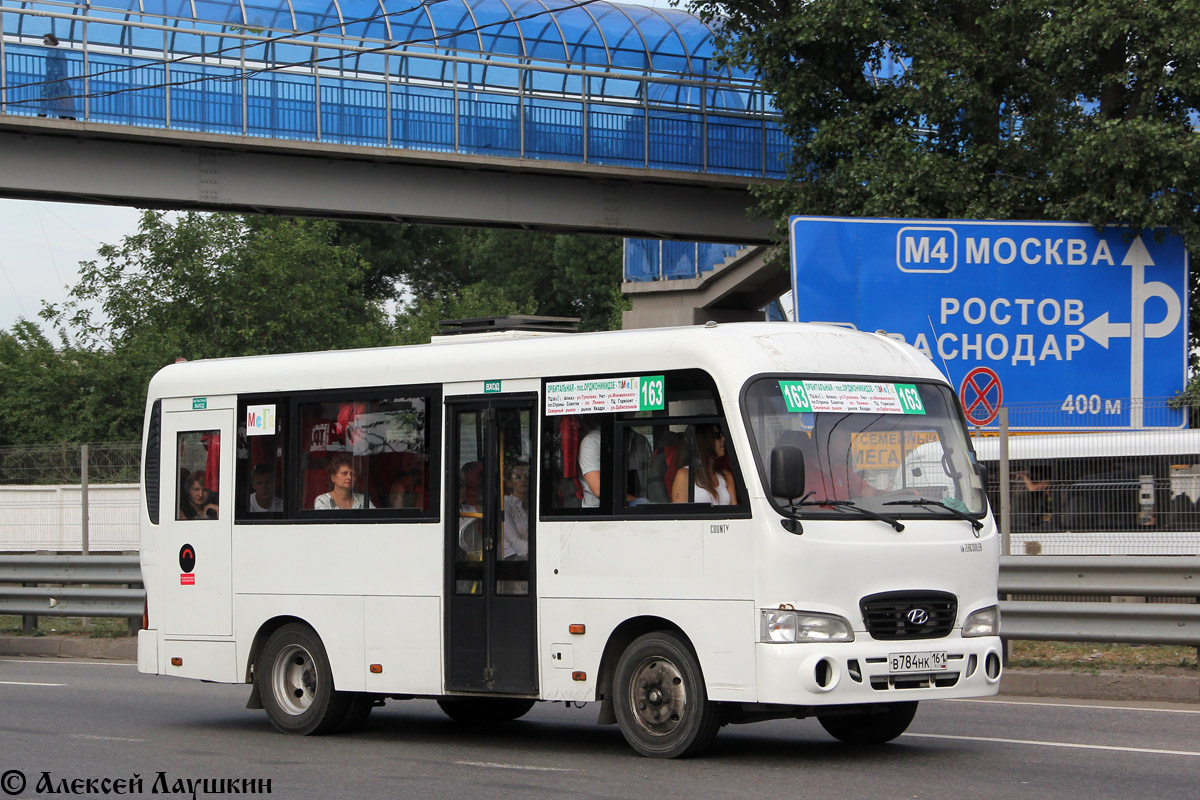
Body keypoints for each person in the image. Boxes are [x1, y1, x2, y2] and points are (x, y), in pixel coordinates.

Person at [672, 425, 738, 505]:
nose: (723, 439)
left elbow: (735, 509)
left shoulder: (726, 476)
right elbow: (681, 513)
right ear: (704, 440)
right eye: (717, 436)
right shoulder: (684, 475)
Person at [501, 460, 530, 560]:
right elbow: (514, 541)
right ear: (509, 483)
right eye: (518, 477)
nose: (523, 480)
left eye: (527, 477)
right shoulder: (505, 504)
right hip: (512, 558)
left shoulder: (533, 503)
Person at [578, 423, 601, 507]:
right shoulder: (592, 442)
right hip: (597, 514)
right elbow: (598, 490)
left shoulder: (640, 440)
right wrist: (641, 501)